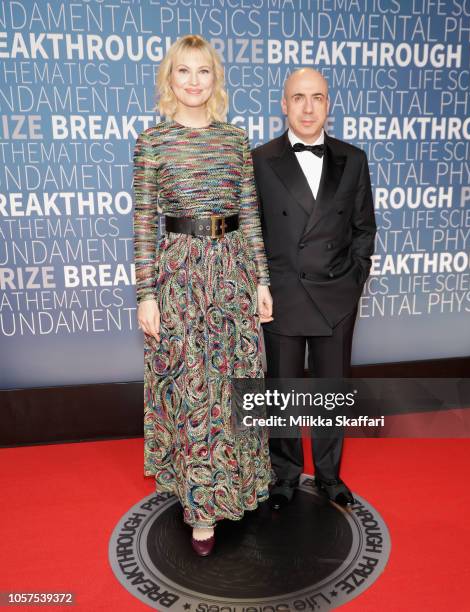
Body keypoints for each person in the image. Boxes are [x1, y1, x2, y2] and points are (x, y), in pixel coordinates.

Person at [132, 34, 273, 556]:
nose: (193, 81)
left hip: (233, 271)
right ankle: (201, 508)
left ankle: (237, 485)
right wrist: (146, 294)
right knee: (192, 385)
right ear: (170, 79)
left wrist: (261, 280)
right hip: (179, 276)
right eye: (183, 71)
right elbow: (145, 222)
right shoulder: (153, 142)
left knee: (235, 381)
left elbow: (252, 215)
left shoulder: (235, 140)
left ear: (217, 79)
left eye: (203, 71)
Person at [252, 68, 376, 510]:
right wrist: (261, 286)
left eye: (317, 98)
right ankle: (284, 475)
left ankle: (328, 476)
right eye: (298, 98)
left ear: (329, 104)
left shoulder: (353, 159)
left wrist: (353, 282)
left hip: (335, 298)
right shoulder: (260, 160)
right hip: (281, 297)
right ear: (283, 105)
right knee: (281, 392)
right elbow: (252, 232)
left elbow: (364, 229)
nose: (308, 107)